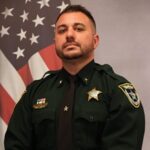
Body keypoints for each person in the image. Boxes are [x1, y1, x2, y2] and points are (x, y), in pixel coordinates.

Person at [4, 4, 145, 150]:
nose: (69, 35)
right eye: (62, 30)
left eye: (78, 28)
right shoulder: (35, 93)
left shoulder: (116, 90)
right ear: (55, 42)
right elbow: (15, 145)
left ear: (95, 41)